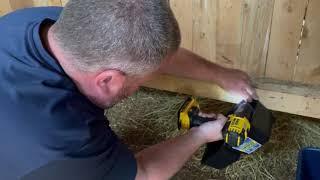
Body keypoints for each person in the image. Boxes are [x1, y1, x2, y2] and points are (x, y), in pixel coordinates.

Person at [0, 0, 257, 179]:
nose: (141, 85)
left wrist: (220, 74)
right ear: (108, 80)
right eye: (141, 81)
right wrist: (199, 136)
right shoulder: (67, 138)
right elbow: (143, 174)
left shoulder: (43, 23)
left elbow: (151, 53)